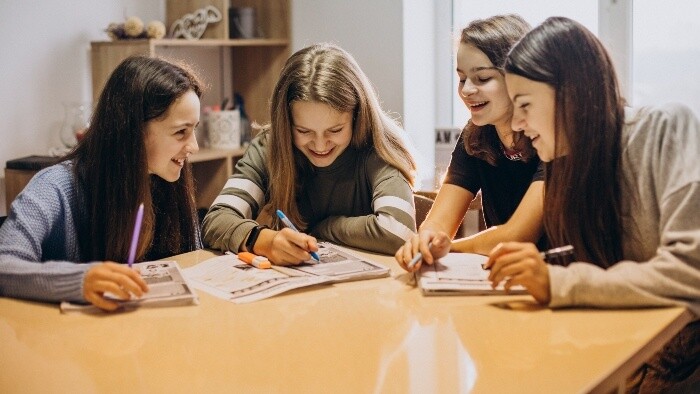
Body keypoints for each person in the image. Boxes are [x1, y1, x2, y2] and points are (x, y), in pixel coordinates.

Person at [488, 16, 700, 391]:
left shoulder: (665, 127)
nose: (517, 123)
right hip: (625, 359)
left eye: (523, 104)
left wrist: (559, 282)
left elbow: (691, 271)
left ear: (571, 93)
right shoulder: (567, 165)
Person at [0, 55, 203, 311]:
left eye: (194, 129)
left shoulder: (169, 181)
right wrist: (80, 281)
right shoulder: (55, 187)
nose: (193, 146)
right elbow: (4, 264)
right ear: (132, 131)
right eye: (180, 132)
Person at [203, 43, 417, 264]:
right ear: (286, 124)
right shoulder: (271, 146)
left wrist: (324, 227)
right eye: (303, 131)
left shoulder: (377, 147)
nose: (320, 145)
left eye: (335, 130)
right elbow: (216, 220)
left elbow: (398, 231)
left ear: (357, 116)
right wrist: (265, 240)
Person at [395, 14, 544, 271]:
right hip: (506, 276)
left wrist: (449, 248)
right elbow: (438, 223)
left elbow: (517, 235)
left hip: (560, 280)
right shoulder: (477, 134)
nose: (466, 91)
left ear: (519, 78)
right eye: (462, 78)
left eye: (482, 79)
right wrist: (426, 240)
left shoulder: (551, 137)